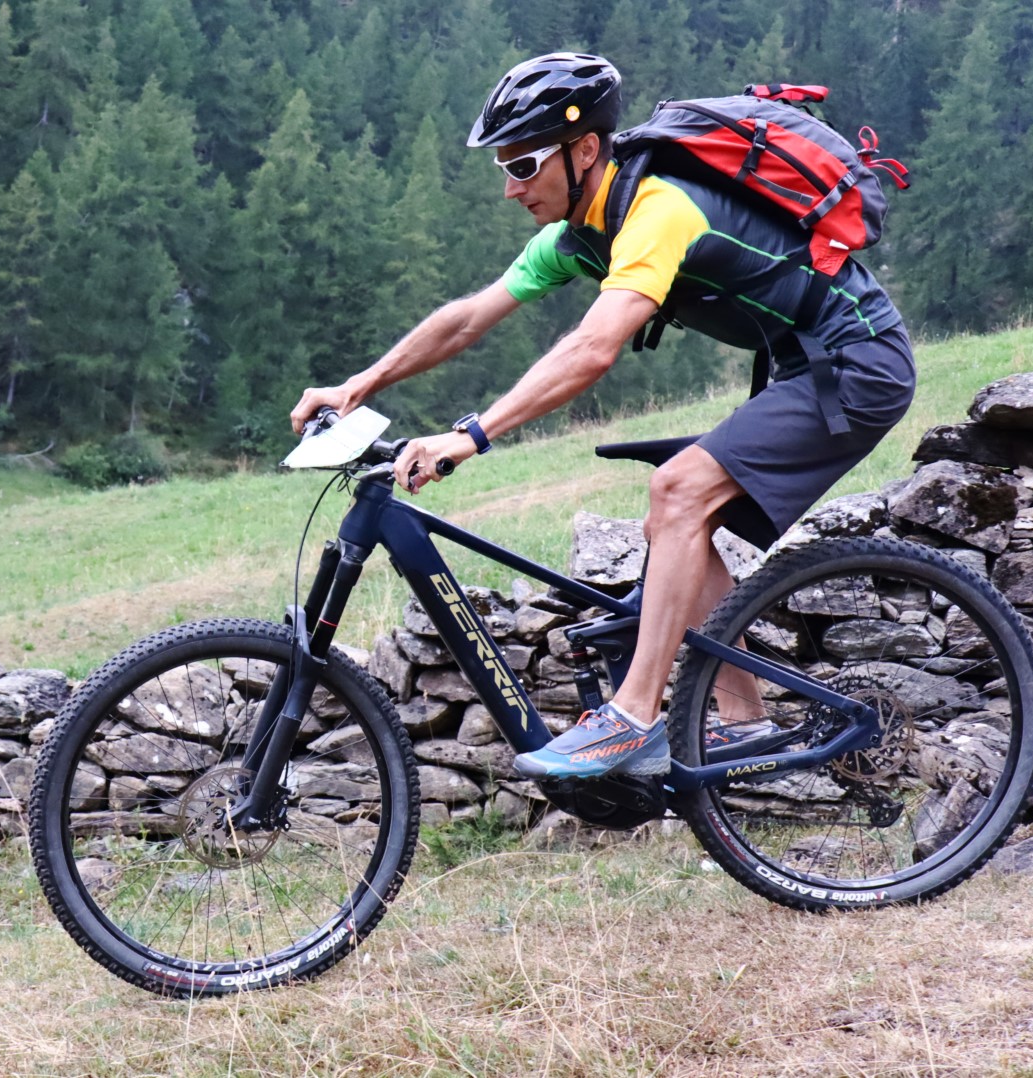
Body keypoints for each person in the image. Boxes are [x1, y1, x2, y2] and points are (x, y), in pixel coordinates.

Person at [288, 52, 916, 781]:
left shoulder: (658, 211)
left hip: (856, 362)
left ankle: (634, 718)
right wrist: (359, 384)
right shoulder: (581, 234)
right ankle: (747, 728)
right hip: (803, 364)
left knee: (677, 492)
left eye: (524, 165)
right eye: (503, 167)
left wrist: (470, 436)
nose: (510, 187)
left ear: (585, 150)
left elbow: (592, 349)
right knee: (676, 517)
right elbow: (468, 318)